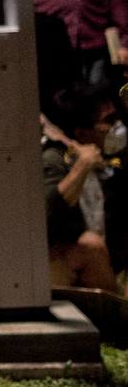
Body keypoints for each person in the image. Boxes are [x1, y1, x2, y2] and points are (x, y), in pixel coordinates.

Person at [42, 83, 126, 291]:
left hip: (110, 264)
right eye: (109, 121)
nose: (118, 127)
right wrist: (83, 165)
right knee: (91, 246)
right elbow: (47, 213)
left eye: (117, 117)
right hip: (61, 262)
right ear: (82, 134)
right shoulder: (56, 160)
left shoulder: (114, 159)